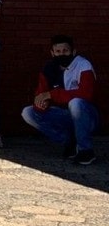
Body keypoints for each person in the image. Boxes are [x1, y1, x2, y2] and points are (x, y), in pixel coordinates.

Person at [21, 34, 98, 164]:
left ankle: (86, 150)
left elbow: (86, 94)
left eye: (65, 51)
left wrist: (52, 95)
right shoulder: (48, 69)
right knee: (28, 113)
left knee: (76, 102)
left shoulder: (83, 65)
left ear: (73, 51)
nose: (62, 54)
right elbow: (40, 95)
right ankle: (70, 142)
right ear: (52, 53)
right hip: (62, 115)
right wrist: (42, 104)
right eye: (58, 51)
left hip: (87, 116)